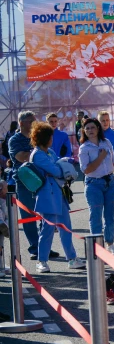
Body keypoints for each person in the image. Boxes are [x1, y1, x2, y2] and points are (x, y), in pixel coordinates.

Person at [30, 122, 86, 273]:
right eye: (50, 136)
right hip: (47, 196)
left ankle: (72, 258)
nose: (52, 139)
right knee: (47, 230)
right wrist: (62, 168)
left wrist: (60, 168)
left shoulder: (49, 152)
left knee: (66, 228)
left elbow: (58, 167)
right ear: (45, 137)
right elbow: (57, 170)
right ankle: (42, 261)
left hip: (59, 193)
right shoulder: (37, 155)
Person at [9, 111, 60, 260]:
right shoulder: (15, 139)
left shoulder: (36, 137)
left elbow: (49, 154)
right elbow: (21, 157)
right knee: (29, 216)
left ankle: (44, 247)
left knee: (44, 215)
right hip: (25, 182)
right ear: (21, 123)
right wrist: (38, 153)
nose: (34, 123)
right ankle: (34, 248)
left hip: (43, 181)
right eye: (31, 121)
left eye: (35, 120)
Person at [78, 118, 114, 256]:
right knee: (95, 215)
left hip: (110, 182)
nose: (90, 130)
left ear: (98, 128)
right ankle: (97, 247)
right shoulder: (84, 148)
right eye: (87, 128)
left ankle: (110, 243)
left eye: (92, 127)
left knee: (110, 215)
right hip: (93, 184)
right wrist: (101, 156)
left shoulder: (106, 142)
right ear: (84, 131)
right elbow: (86, 170)